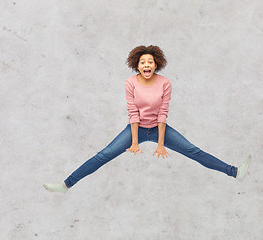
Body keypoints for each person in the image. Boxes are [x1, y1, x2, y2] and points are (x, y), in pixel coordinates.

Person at [43, 45, 251, 193]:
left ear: (156, 64)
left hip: (159, 128)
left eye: (150, 61)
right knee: (103, 155)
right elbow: (133, 113)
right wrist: (134, 141)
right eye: (143, 62)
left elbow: (163, 113)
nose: (146, 64)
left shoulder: (165, 83)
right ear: (137, 65)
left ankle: (234, 172)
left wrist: (161, 144)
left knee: (193, 151)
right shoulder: (130, 83)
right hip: (137, 128)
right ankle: (66, 185)